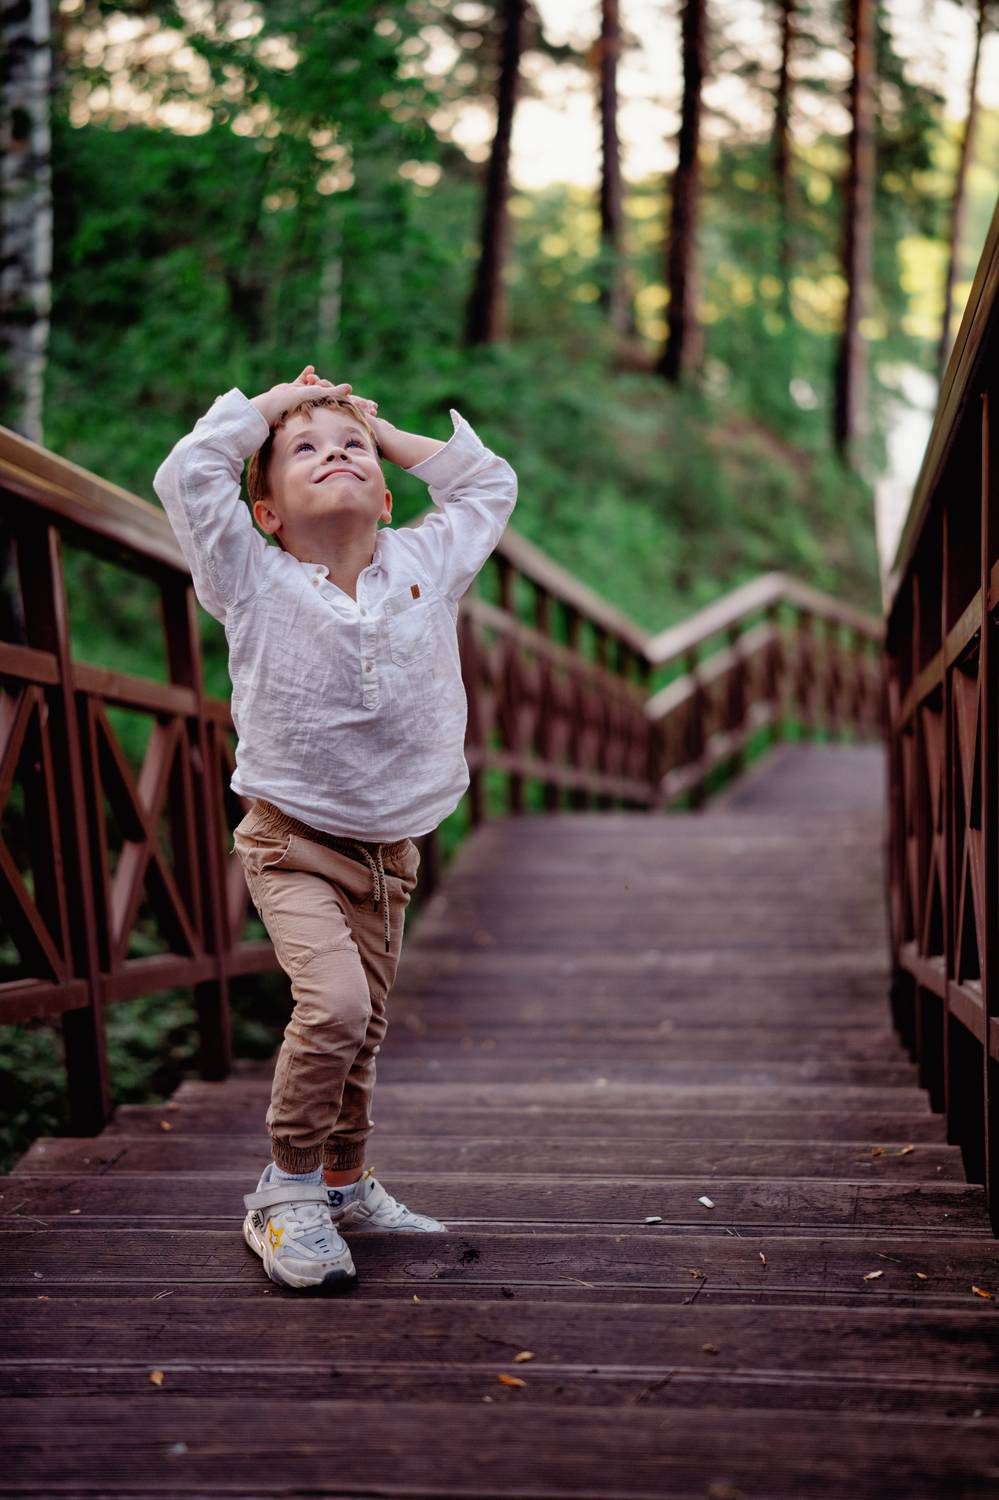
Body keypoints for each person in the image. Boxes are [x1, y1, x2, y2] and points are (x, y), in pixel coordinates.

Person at [152, 364, 517, 1291]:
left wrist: (381, 431)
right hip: (291, 841)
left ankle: (344, 1183)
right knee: (336, 1009)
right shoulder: (247, 575)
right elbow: (190, 473)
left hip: (390, 847)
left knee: (363, 1028)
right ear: (266, 512)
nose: (335, 454)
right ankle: (284, 1192)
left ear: (386, 499)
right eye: (304, 451)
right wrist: (273, 406)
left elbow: (487, 484)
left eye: (351, 447)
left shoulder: (426, 563)